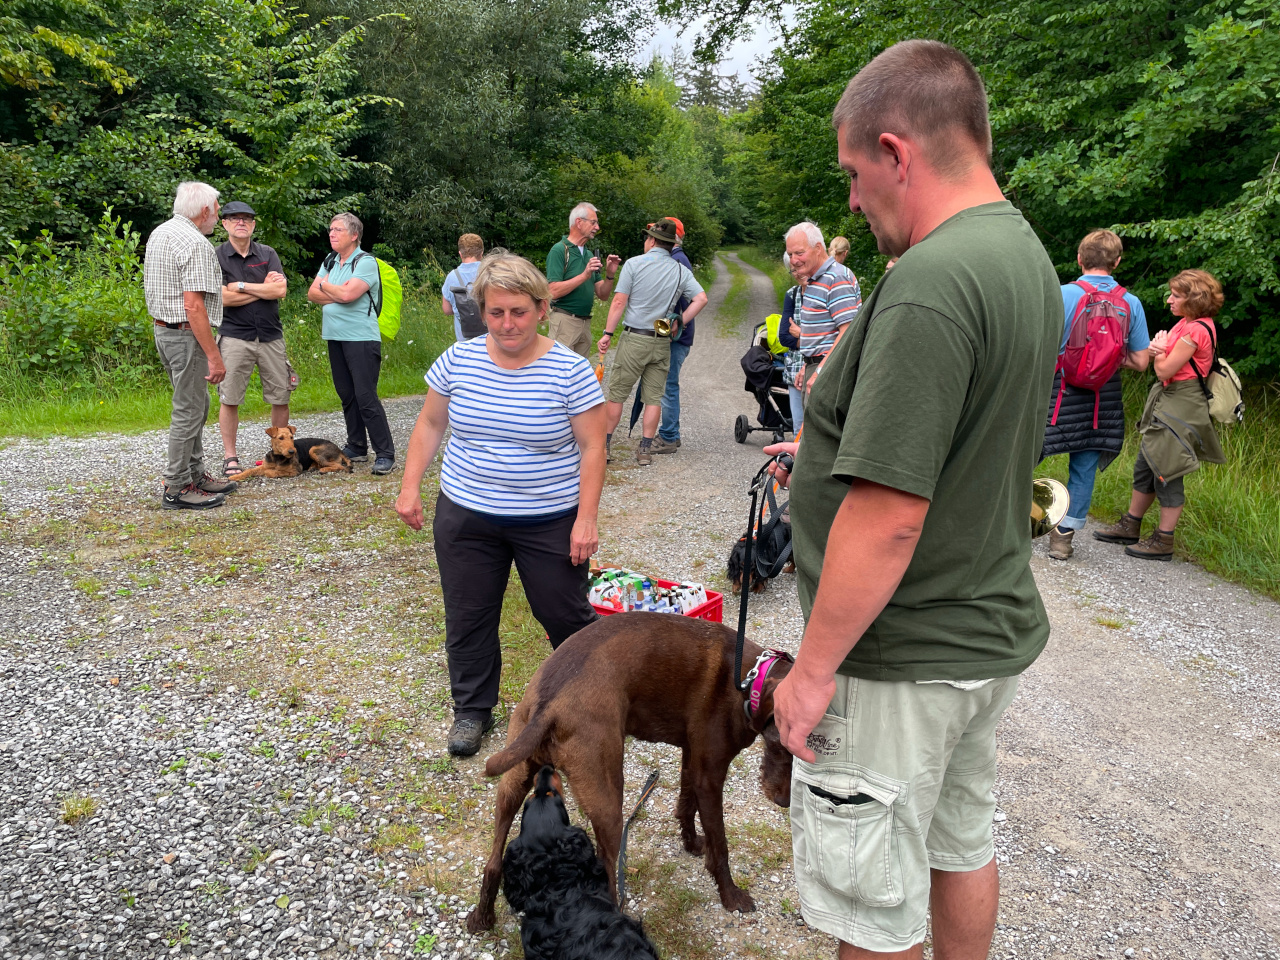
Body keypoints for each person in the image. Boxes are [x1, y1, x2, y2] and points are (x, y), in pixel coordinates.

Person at [764, 40, 1061, 960]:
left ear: (898, 152)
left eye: (855, 173)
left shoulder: (929, 283)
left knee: (870, 904)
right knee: (958, 848)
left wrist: (810, 675)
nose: (852, 200)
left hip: (901, 657)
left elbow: (890, 514)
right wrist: (822, 443)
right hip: (979, 636)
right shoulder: (1019, 252)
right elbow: (962, 433)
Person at [394, 251, 606, 756]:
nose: (507, 324)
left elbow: (593, 446)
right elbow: (429, 424)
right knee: (468, 614)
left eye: (519, 312)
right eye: (496, 313)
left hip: (547, 519)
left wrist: (586, 518)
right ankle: (471, 710)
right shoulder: (458, 360)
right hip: (467, 514)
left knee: (565, 615)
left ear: (540, 308)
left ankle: (591, 700)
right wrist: (409, 486)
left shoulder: (570, 370)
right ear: (482, 312)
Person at [1093, 269, 1227, 560]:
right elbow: (1160, 353)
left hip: (1181, 404)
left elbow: (1164, 368)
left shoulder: (1196, 330)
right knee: (1146, 463)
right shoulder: (1185, 324)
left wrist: (1159, 351)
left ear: (1194, 298)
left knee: (1168, 469)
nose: (1169, 300)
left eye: (1176, 296)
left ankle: (1164, 541)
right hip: (1168, 400)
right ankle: (1131, 524)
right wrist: (1158, 350)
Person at [1041, 229, 1151, 560]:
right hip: (1101, 398)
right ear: (1117, 262)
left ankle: (1007, 523)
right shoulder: (1130, 303)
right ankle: (1062, 539)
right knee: (1084, 467)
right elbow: (1141, 361)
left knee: (1024, 455)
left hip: (1055, 392)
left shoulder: (1059, 295)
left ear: (1079, 258)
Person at [144, 181, 237, 510]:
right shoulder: (196, 244)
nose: (218, 216)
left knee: (197, 405)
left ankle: (195, 474)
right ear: (204, 212)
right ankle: (177, 485)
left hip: (165, 332)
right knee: (189, 409)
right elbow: (194, 306)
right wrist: (215, 356)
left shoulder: (162, 232)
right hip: (186, 334)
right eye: (216, 210)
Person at [596, 219, 708, 465]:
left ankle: (604, 446)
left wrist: (607, 333)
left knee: (617, 395)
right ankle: (645, 450)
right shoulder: (681, 270)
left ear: (653, 240)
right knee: (654, 398)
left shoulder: (634, 264)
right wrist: (679, 322)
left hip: (634, 337)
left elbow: (618, 302)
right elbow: (701, 298)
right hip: (661, 341)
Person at [307, 212, 396, 476]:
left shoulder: (365, 262)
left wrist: (327, 287)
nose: (331, 234)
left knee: (365, 396)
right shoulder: (331, 260)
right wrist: (334, 291)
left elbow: (348, 293)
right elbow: (313, 293)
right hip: (335, 336)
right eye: (330, 229)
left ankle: (385, 454)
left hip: (361, 338)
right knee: (347, 394)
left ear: (354, 235)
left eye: (338, 230)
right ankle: (357, 445)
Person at [214, 200, 292, 477]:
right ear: (224, 224)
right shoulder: (216, 256)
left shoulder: (268, 253)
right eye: (234, 218)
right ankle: (230, 457)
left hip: (271, 335)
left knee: (280, 395)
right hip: (235, 336)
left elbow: (280, 291)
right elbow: (222, 298)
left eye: (246, 218)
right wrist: (263, 289)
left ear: (253, 224)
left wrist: (242, 286)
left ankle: (279, 454)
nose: (241, 222)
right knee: (230, 398)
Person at [783, 221, 861, 415]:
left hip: (830, 373)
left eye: (799, 253)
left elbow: (849, 331)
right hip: (815, 367)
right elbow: (823, 335)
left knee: (820, 439)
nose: (793, 260)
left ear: (818, 248)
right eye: (790, 254)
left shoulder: (836, 277)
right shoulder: (815, 280)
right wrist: (807, 365)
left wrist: (820, 370)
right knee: (808, 438)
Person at [545, 202, 622, 357]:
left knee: (579, 375)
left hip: (585, 324)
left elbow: (603, 294)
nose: (597, 227)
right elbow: (552, 291)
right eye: (593, 222)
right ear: (579, 222)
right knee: (561, 372)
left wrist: (610, 274)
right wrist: (584, 275)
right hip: (564, 321)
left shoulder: (588, 255)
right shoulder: (559, 250)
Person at [652, 217, 695, 454]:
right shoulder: (678, 258)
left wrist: (678, 325)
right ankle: (672, 433)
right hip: (676, 333)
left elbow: (685, 300)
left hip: (676, 335)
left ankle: (668, 436)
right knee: (669, 383)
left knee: (668, 385)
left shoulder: (677, 260)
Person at [777, 253, 808, 432]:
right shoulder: (792, 294)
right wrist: (812, 339)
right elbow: (785, 338)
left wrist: (800, 334)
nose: (797, 273)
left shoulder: (822, 293)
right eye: (793, 270)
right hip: (795, 369)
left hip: (819, 366)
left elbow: (834, 337)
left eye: (800, 268)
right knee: (798, 427)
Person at [442, 233, 484, 341]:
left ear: (460, 254)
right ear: (481, 254)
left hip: (464, 341)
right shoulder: (489, 272)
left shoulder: (452, 277)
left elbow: (446, 310)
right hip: (490, 338)